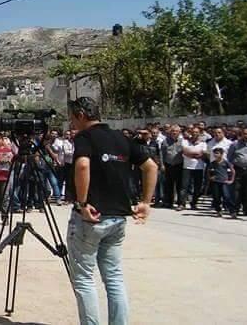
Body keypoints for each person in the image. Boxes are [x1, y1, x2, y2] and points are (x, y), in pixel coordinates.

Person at [66, 97, 157, 325]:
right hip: (117, 217)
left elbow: (83, 165)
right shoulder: (121, 138)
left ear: (80, 115)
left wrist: (82, 203)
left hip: (92, 217)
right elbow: (151, 166)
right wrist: (146, 201)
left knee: (84, 279)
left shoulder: (85, 137)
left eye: (72, 118)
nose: (72, 123)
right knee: (114, 278)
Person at [180, 130, 207, 211]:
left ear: (199, 134)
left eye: (196, 132)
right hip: (187, 167)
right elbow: (185, 152)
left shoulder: (203, 143)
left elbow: (203, 154)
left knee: (197, 187)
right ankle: (182, 204)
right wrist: (195, 153)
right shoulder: (185, 142)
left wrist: (191, 153)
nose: (194, 134)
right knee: (184, 186)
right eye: (193, 132)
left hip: (199, 168)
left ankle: (194, 203)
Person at [228, 128, 247, 216]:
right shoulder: (235, 144)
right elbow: (229, 157)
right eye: (244, 134)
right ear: (242, 134)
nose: (246, 135)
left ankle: (246, 209)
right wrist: (231, 168)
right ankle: (235, 209)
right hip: (237, 170)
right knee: (236, 190)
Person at [207, 148, 236, 218]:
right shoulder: (213, 163)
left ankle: (232, 211)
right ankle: (218, 211)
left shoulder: (225, 162)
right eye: (215, 153)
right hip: (215, 182)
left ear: (221, 154)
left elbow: (233, 171)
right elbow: (208, 170)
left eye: (217, 153)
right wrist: (210, 177)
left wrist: (231, 180)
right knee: (216, 197)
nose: (215, 155)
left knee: (227, 197)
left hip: (224, 182)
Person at [160, 125, 184, 209]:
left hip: (179, 165)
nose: (174, 132)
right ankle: (169, 202)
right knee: (169, 185)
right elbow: (162, 154)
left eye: (176, 131)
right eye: (173, 131)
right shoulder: (165, 141)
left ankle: (180, 203)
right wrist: (162, 164)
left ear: (179, 132)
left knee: (179, 185)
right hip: (168, 165)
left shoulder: (183, 141)